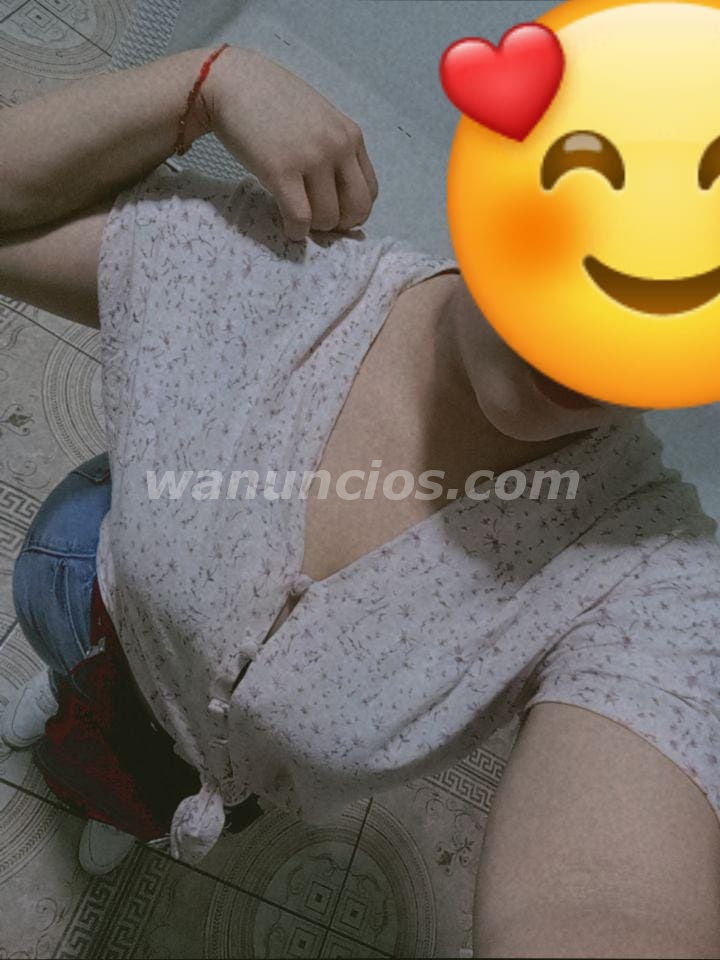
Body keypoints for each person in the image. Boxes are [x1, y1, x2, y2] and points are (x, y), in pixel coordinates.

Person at [0, 42, 719, 958]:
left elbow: (606, 902)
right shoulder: (264, 265)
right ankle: (65, 705)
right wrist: (205, 82)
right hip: (82, 589)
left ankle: (122, 800)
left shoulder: (651, 576)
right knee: (74, 693)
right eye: (590, 195)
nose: (597, 323)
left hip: (223, 769)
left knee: (135, 788)